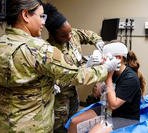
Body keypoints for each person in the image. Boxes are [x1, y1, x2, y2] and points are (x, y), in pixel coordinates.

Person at [0, 0, 120, 132]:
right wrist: (106, 68)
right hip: (32, 126)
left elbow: (10, 76)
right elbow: (77, 76)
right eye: (41, 16)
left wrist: (44, 82)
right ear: (25, 15)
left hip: (3, 121)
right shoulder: (39, 49)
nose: (43, 22)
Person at [43, 3, 106, 132]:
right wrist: (86, 68)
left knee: (74, 119)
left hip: (73, 91)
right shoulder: (49, 50)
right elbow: (56, 78)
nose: (69, 37)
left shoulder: (73, 34)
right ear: (53, 34)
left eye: (70, 32)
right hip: (60, 97)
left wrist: (98, 42)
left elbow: (89, 35)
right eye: (64, 35)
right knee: (60, 125)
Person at [68, 41, 146, 133]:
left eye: (105, 58)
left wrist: (108, 78)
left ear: (118, 58)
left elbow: (114, 105)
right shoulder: (112, 70)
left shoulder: (130, 78)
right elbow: (96, 93)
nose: (103, 61)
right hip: (107, 110)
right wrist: (91, 67)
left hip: (124, 117)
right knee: (74, 122)